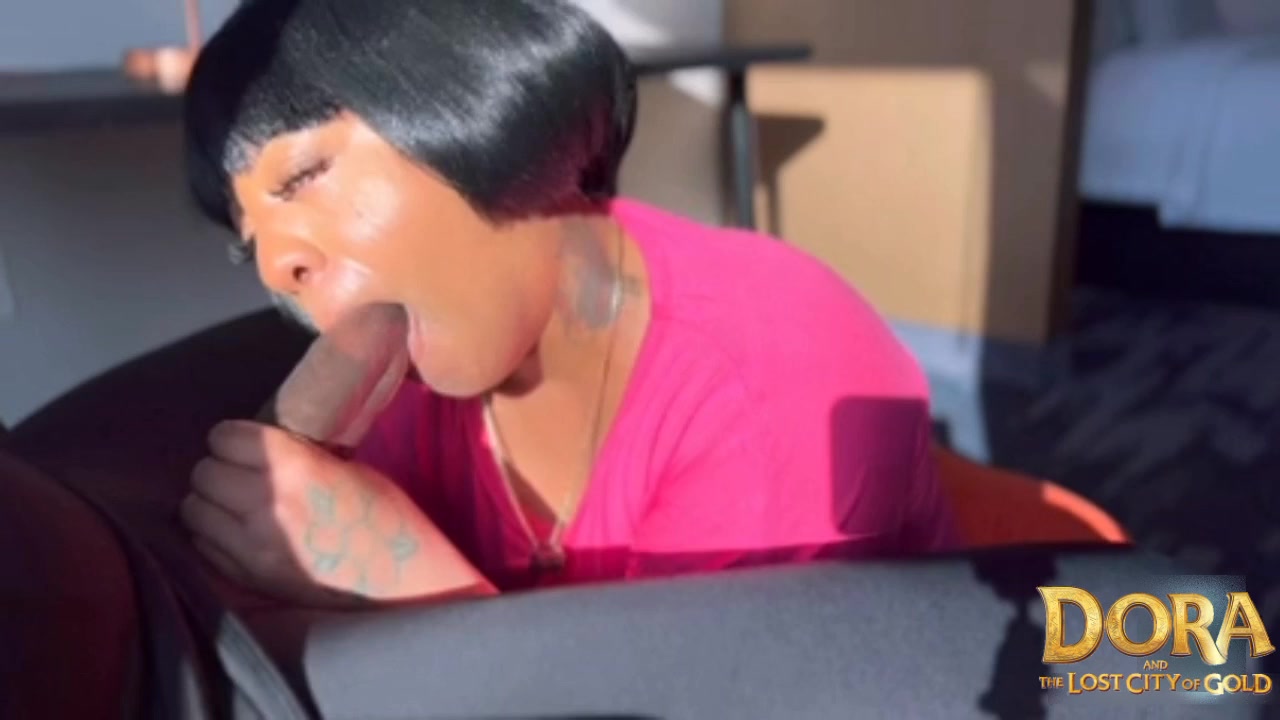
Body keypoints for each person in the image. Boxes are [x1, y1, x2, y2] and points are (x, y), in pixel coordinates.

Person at [178, 0, 959, 607]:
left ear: (470, 104)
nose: (278, 266)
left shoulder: (770, 380)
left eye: (303, 176)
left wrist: (409, 586)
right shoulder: (419, 382)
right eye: (252, 245)